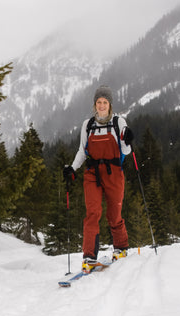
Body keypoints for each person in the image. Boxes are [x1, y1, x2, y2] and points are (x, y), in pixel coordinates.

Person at [63, 85, 134, 273]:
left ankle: (120, 247)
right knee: (92, 213)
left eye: (105, 102)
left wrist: (128, 139)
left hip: (114, 172)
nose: (101, 105)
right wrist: (72, 168)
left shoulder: (119, 122)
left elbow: (126, 151)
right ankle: (89, 257)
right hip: (92, 173)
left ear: (110, 105)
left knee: (114, 213)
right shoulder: (88, 124)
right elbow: (82, 150)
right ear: (94, 104)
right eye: (99, 102)